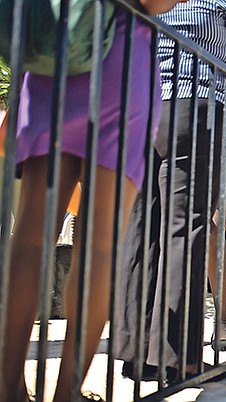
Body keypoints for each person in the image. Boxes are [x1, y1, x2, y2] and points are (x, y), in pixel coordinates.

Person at [1, 1, 183, 401]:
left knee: (31, 231)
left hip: (55, 49)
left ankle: (7, 387)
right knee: (99, 244)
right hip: (121, 54)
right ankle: (67, 393)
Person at [144, 0, 226, 380]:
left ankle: (143, 350)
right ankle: (181, 355)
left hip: (148, 102)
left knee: (151, 229)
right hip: (199, 106)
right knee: (190, 229)